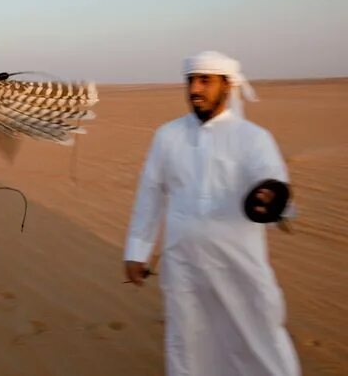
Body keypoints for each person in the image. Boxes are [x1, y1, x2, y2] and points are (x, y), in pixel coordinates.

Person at [123, 51, 300, 376]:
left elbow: (275, 188)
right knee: (187, 342)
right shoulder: (168, 136)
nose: (195, 89)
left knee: (259, 337)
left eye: (205, 80)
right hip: (183, 265)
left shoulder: (254, 139)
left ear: (227, 85)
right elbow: (150, 193)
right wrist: (137, 250)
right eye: (191, 80)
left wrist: (271, 198)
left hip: (238, 264)